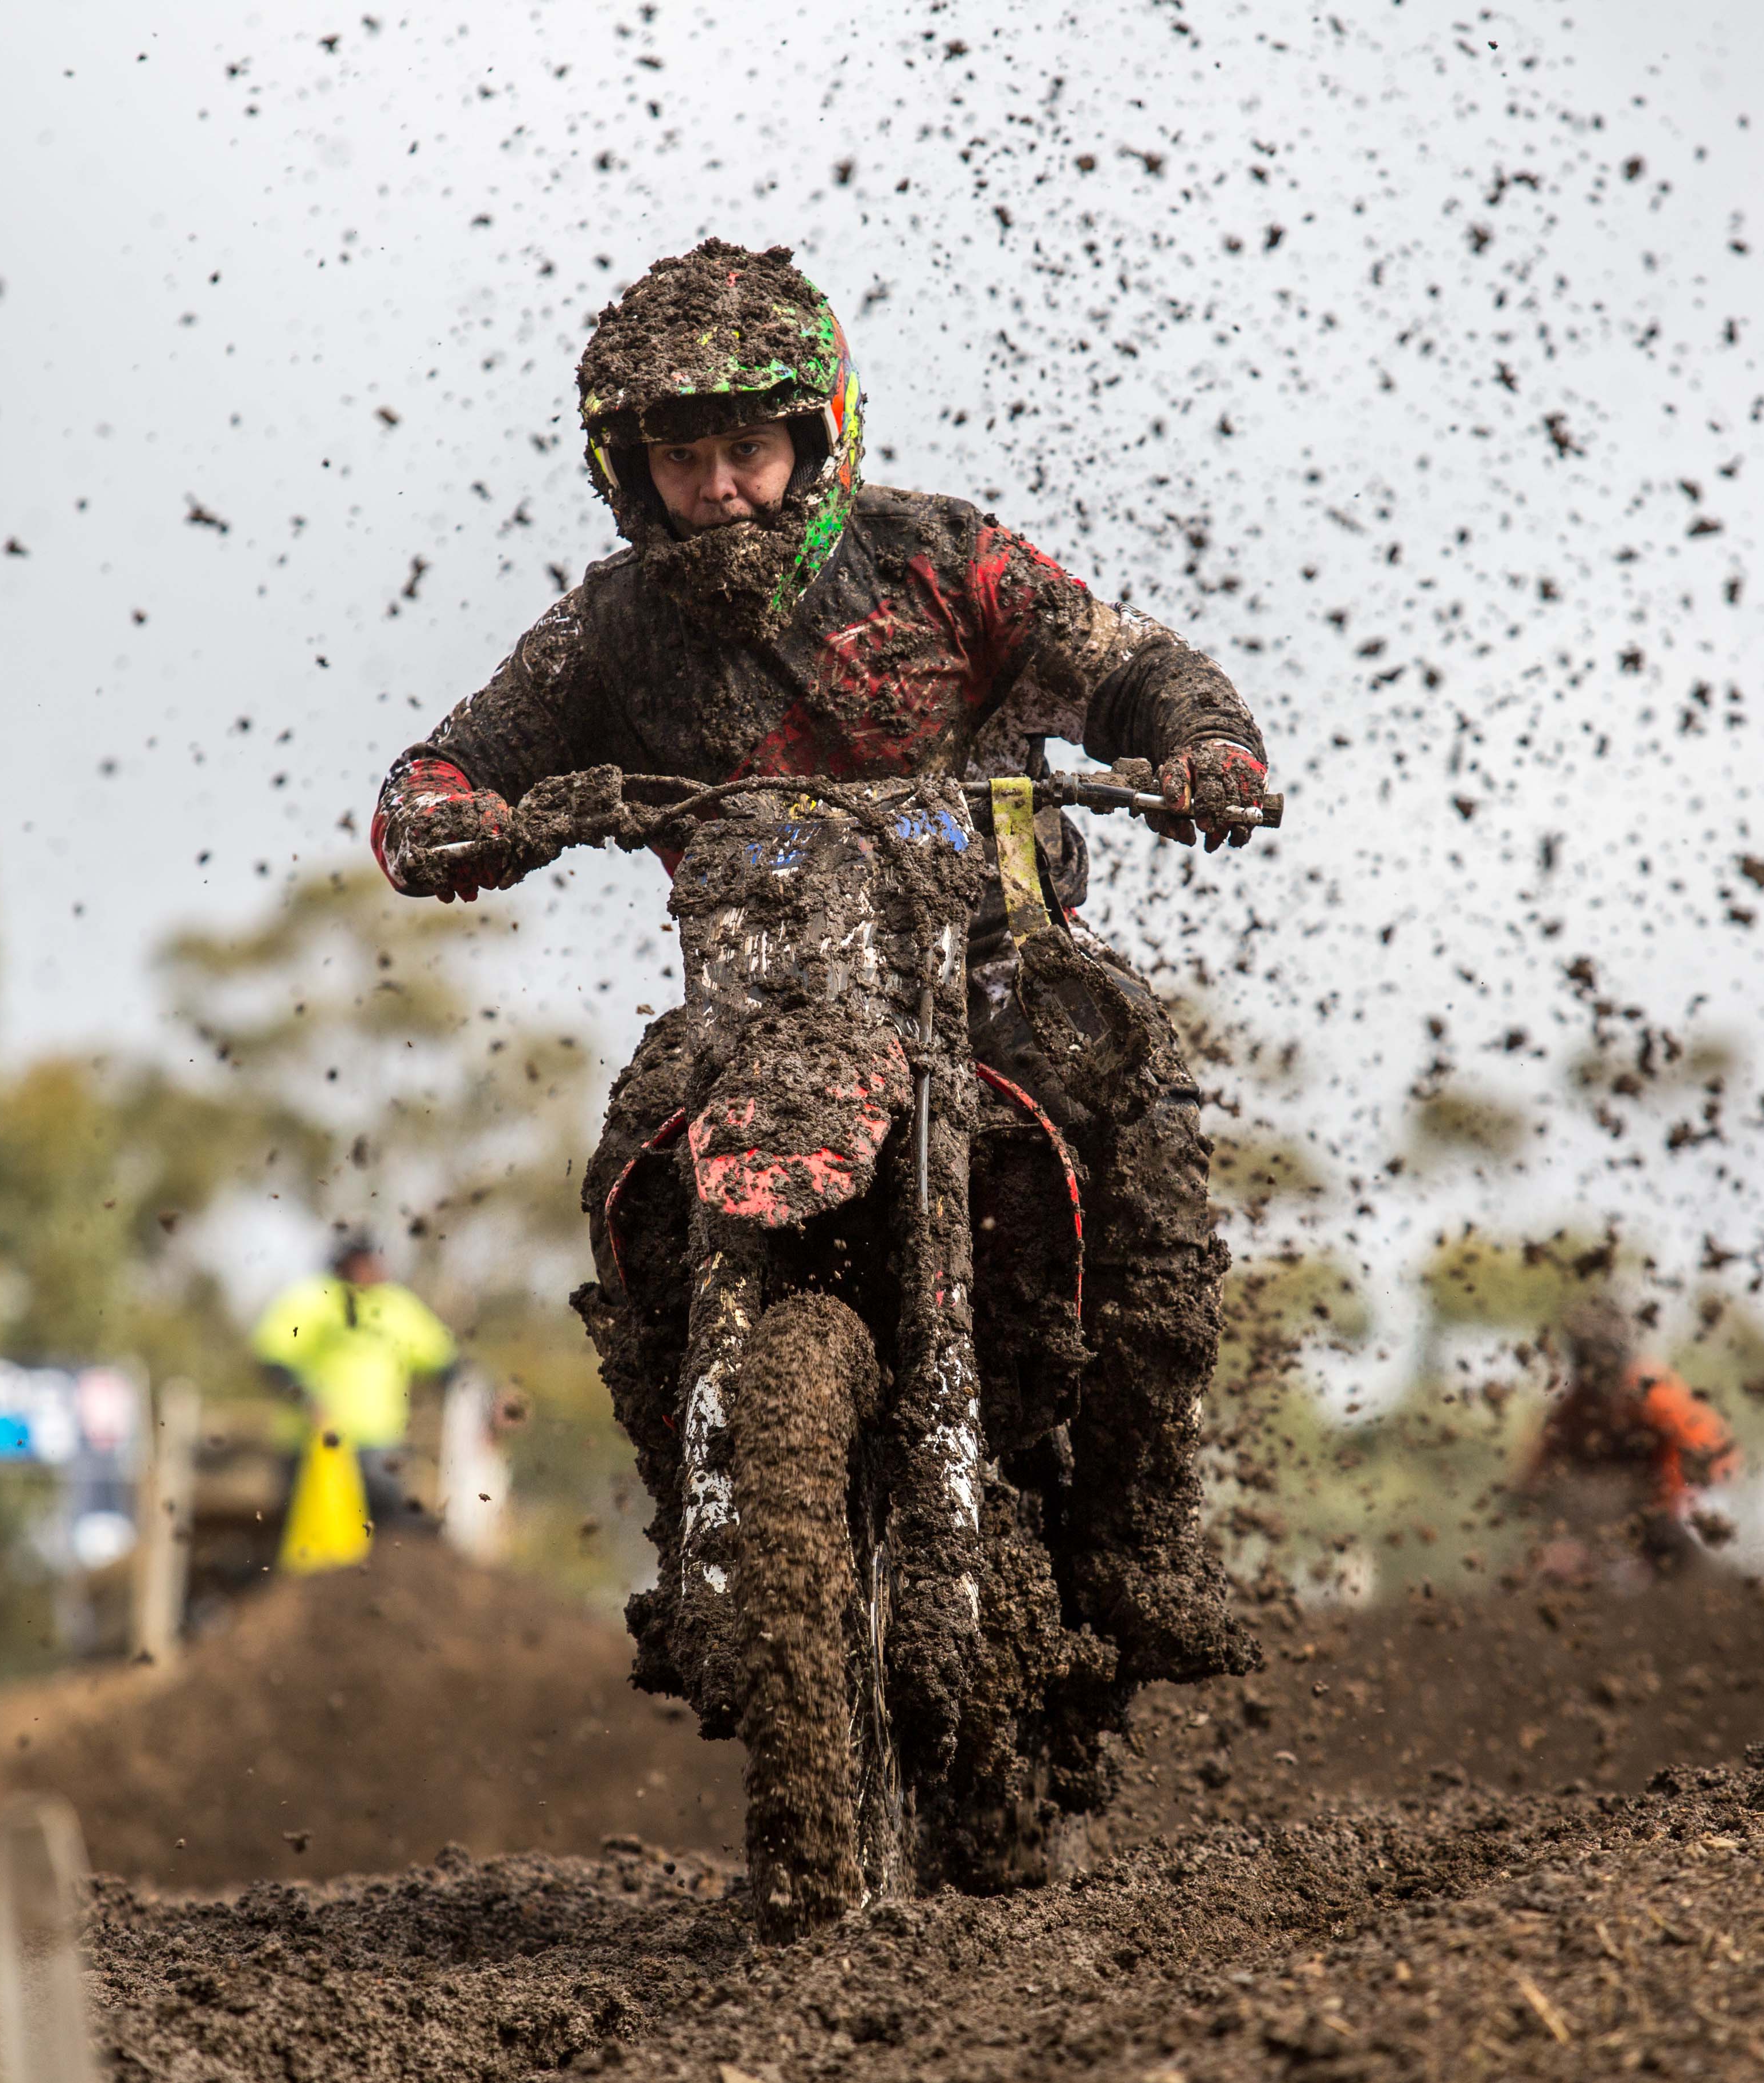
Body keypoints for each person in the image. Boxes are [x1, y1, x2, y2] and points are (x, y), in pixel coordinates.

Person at [367, 238, 1271, 1690]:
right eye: (681, 458)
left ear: (817, 437)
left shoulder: (942, 563)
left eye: (746, 447)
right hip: (754, 1005)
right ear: (628, 470)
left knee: (1135, 1114)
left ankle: (1139, 1526)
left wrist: (1199, 745)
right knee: (629, 1185)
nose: (717, 486)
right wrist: (443, 813)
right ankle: (699, 1526)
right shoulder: (610, 632)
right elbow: (456, 759)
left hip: (989, 971)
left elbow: (1126, 661)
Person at [249, 1228, 458, 1569]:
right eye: (360, 1261)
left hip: (380, 1449)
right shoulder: (312, 1299)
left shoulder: (397, 1307)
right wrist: (307, 1401)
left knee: (390, 1533)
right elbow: (271, 1356)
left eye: (373, 1259)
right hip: (313, 1449)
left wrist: (489, 1399)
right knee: (310, 1541)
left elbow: (445, 1361)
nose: (369, 1269)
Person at [1514, 1299, 1742, 1583]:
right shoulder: (1578, 1407)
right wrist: (1525, 1493)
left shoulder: (1653, 1392)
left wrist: (1676, 1496)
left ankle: (1705, 1581)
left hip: (1677, 1498)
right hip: (1627, 1507)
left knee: (1683, 1546)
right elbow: (1542, 1464)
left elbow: (1710, 1448)